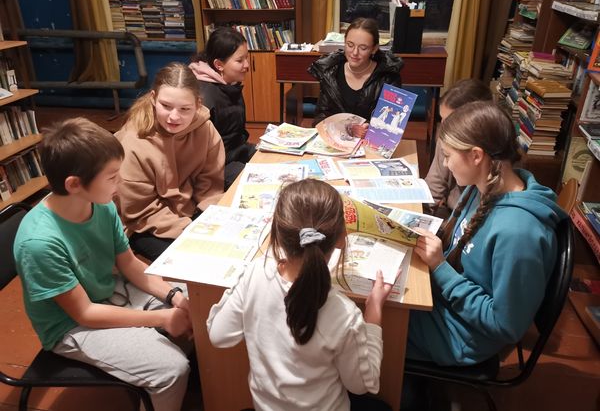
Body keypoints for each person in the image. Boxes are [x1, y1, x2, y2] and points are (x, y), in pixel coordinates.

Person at [13, 118, 192, 411]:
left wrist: (175, 297)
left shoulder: (101, 204)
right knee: (172, 370)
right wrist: (163, 318)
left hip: (107, 294)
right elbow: (85, 314)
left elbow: (130, 265)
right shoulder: (39, 242)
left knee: (198, 300)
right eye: (112, 177)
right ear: (74, 184)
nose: (119, 184)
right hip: (71, 326)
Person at [207, 179, 393, 411]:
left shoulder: (256, 272)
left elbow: (219, 335)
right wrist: (373, 318)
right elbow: (363, 385)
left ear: (276, 233)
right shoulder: (344, 314)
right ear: (341, 238)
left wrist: (244, 279)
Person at [408, 102, 568, 366]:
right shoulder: (482, 187)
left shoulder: (519, 233)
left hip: (464, 335)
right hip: (446, 303)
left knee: (369, 322)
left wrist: (440, 268)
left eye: (447, 156)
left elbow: (505, 325)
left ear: (476, 156)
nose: (445, 164)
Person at [115, 62, 225, 262]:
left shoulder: (205, 129)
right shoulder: (133, 141)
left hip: (188, 211)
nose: (174, 117)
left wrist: (209, 218)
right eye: (166, 106)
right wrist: (187, 229)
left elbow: (210, 184)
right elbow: (139, 211)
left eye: (185, 109)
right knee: (192, 262)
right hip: (145, 224)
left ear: (198, 105)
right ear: (153, 98)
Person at [308, 17, 403, 137]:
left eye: (363, 48)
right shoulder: (331, 72)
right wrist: (348, 128)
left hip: (370, 143)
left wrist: (368, 129)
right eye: (350, 45)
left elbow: (391, 124)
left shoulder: (388, 77)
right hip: (335, 140)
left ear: (374, 49)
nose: (354, 53)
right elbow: (320, 118)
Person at [189, 27, 255, 189]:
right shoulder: (204, 97)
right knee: (259, 183)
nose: (247, 65)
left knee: (272, 160)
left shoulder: (230, 84)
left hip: (236, 152)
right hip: (216, 168)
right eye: (240, 60)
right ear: (219, 65)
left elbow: (235, 134)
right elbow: (200, 157)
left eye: (246, 58)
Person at [424, 78, 493, 217]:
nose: (443, 127)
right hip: (454, 216)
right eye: (442, 119)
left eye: (450, 121)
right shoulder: (448, 137)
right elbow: (435, 184)